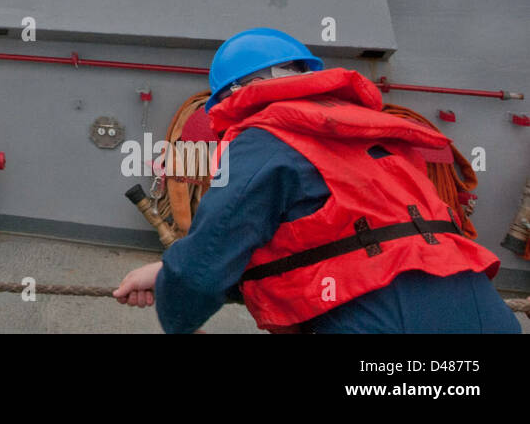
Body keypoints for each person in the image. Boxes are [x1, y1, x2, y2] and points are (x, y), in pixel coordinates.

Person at [114, 28, 519, 334]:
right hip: (486, 316)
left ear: (235, 94)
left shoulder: (263, 139)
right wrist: (166, 271)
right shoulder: (373, 132)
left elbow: (208, 259)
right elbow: (327, 245)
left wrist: (175, 302)